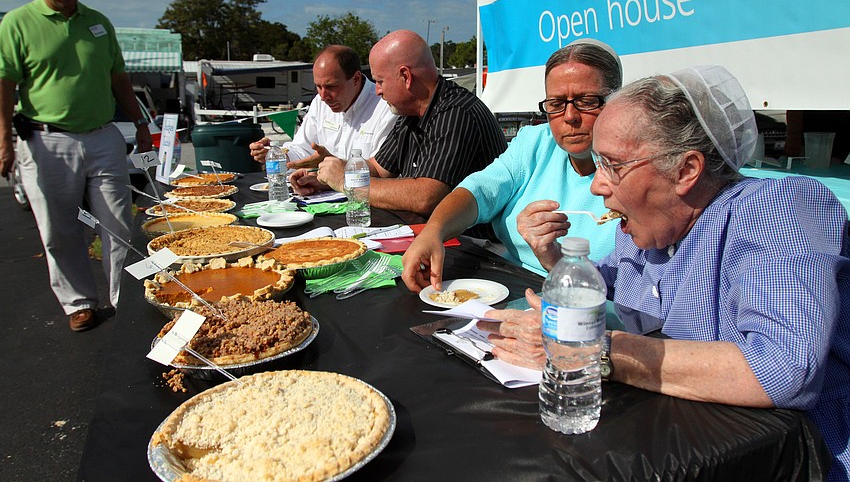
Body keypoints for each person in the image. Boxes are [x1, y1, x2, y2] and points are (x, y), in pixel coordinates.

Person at [478, 66, 850, 480]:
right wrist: (554, 261)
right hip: (691, 451)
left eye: (613, 165)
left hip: (803, 459)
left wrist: (589, 351)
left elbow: (784, 368)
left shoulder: (776, 209)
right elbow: (607, 286)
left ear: (686, 170)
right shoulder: (647, 232)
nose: (598, 186)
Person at [0, 0, 151, 332]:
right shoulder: (17, 23)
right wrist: (3, 139)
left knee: (118, 223)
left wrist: (138, 122)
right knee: (59, 228)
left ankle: (124, 297)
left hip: (102, 136)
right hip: (48, 141)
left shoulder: (97, 23)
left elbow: (119, 79)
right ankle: (79, 302)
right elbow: (5, 84)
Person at [402, 39, 622, 289]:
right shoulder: (536, 142)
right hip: (509, 283)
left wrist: (557, 262)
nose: (570, 116)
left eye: (586, 101)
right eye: (556, 104)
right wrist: (434, 231)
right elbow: (480, 190)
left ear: (615, 101)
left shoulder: (634, 168)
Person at [291, 30, 507, 217]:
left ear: (405, 76)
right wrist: (326, 178)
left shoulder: (456, 112)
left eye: (380, 81)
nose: (377, 90)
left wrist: (347, 183)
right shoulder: (411, 112)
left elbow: (426, 196)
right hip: (442, 236)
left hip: (479, 245)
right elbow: (378, 168)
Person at [248, 45, 395, 169]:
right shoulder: (319, 102)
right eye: (318, 86)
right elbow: (302, 148)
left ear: (356, 79)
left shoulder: (385, 106)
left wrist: (332, 165)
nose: (324, 97)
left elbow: (382, 171)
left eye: (331, 86)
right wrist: (276, 154)